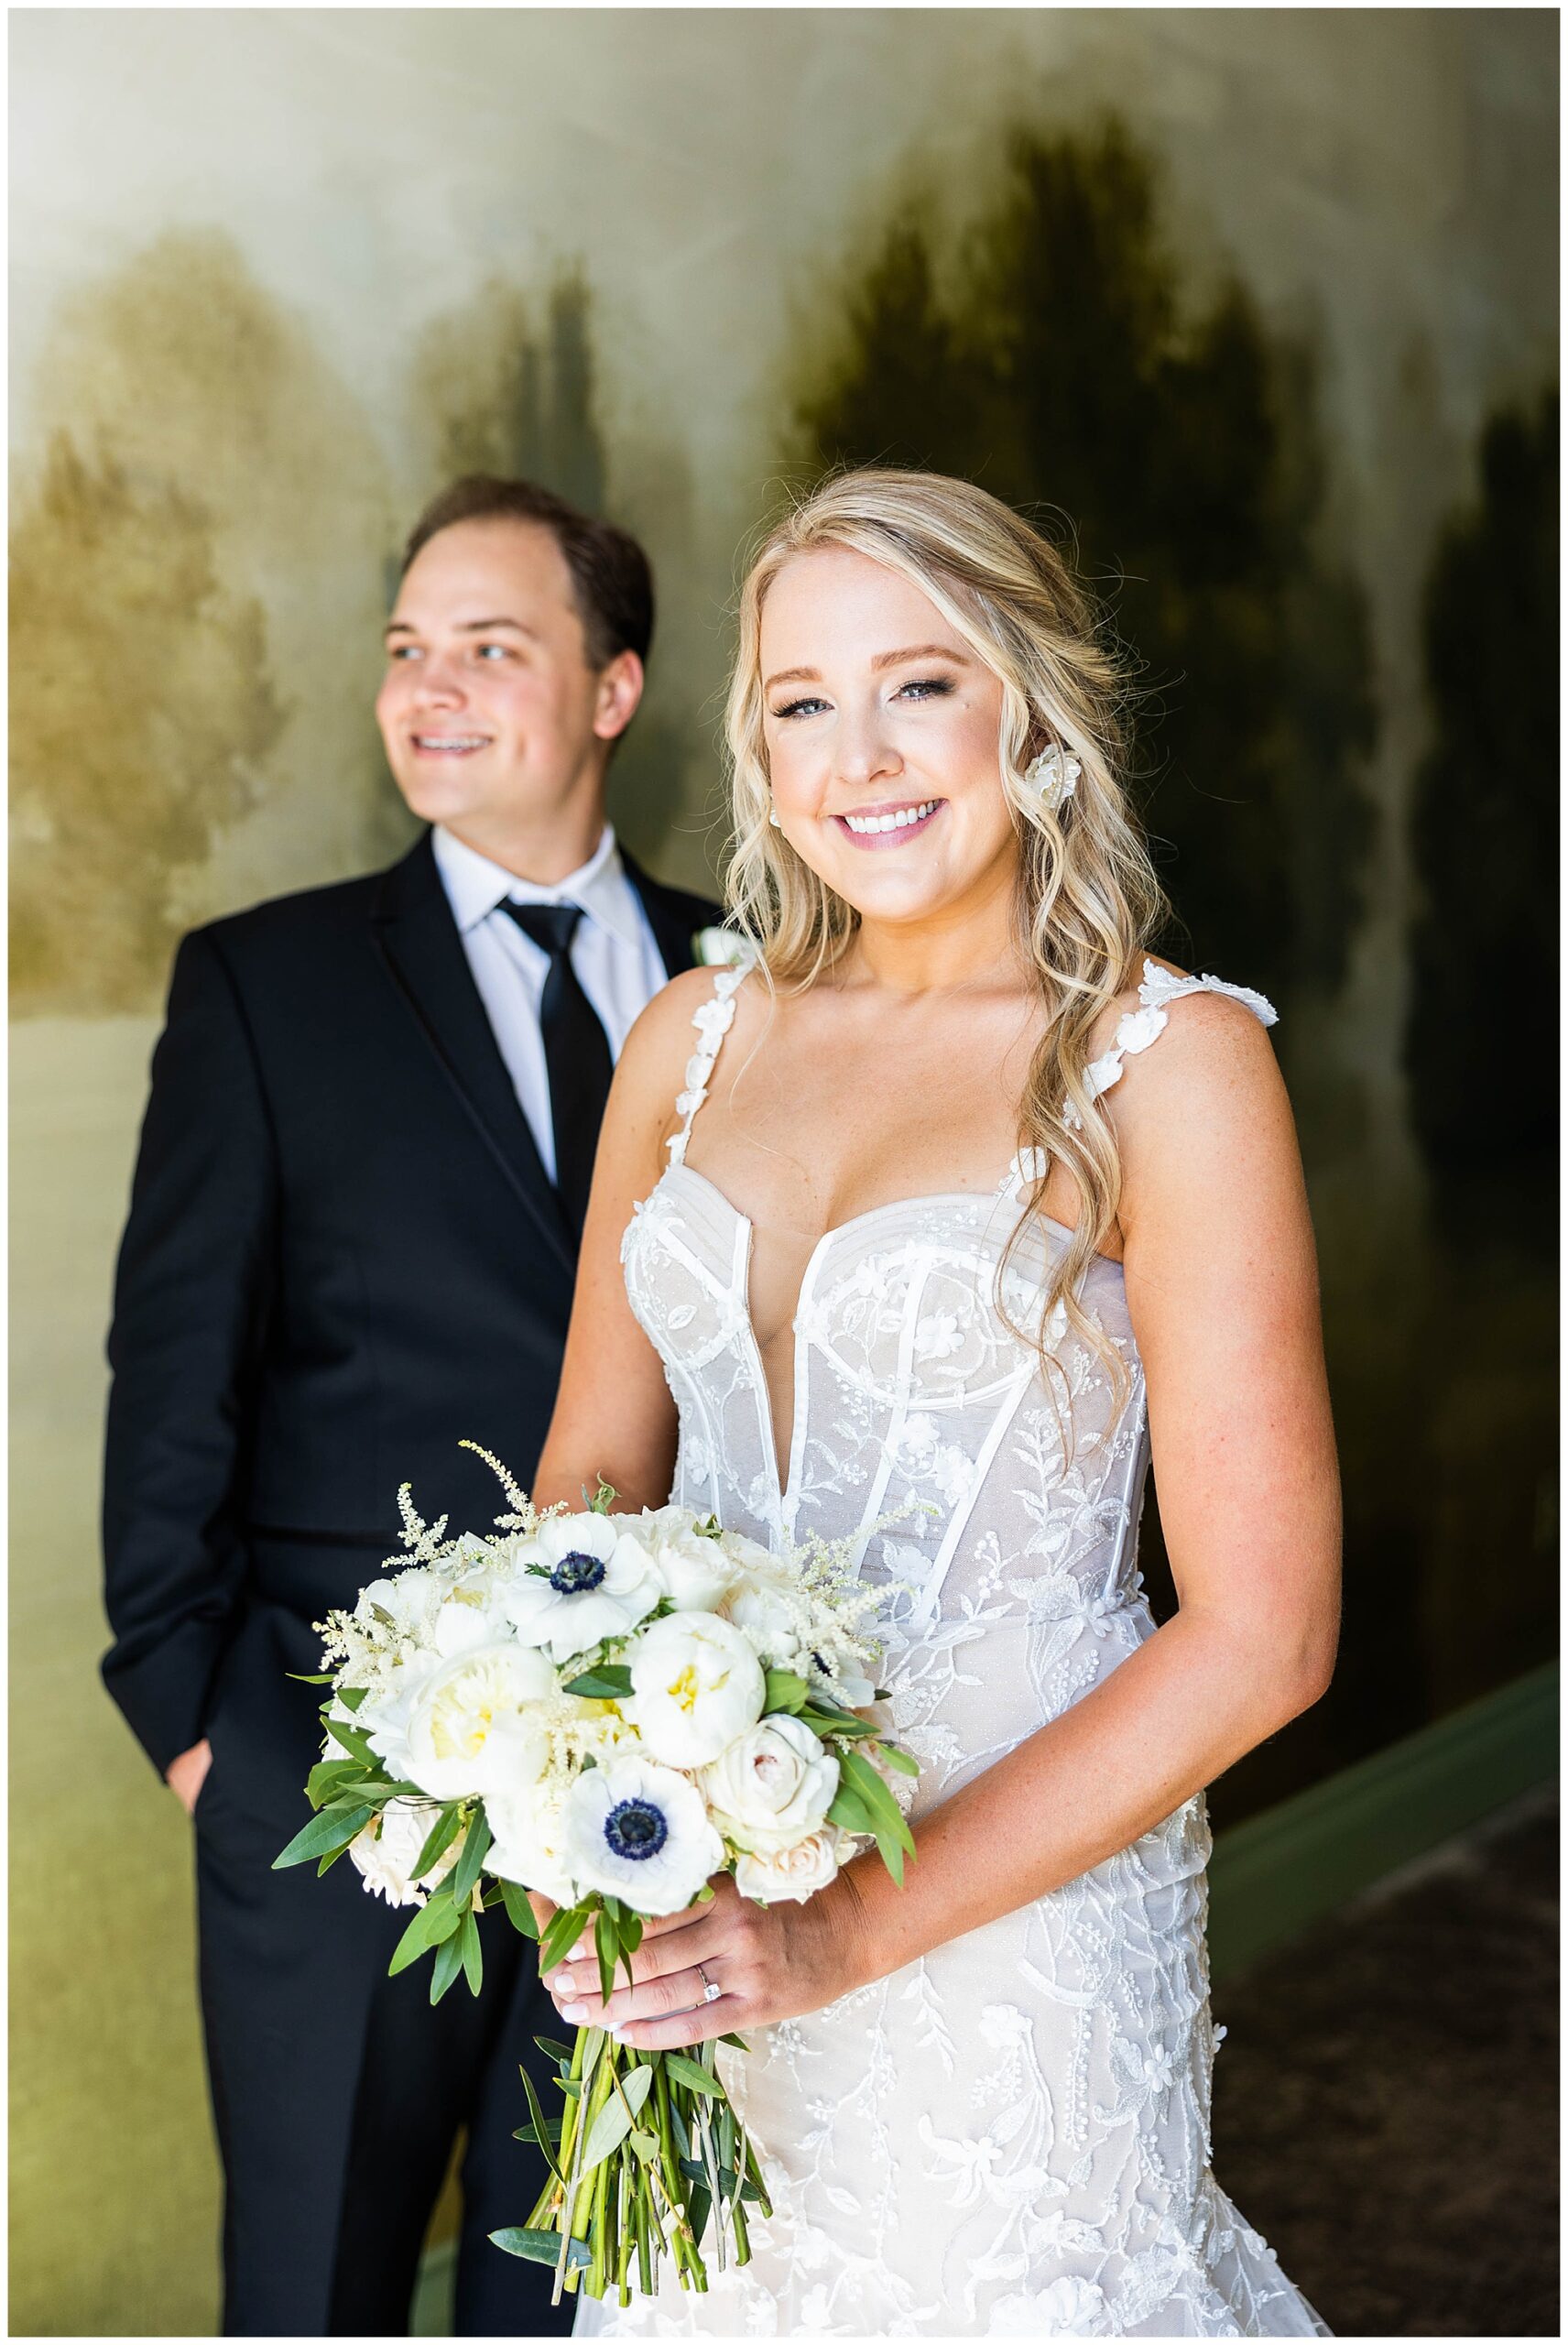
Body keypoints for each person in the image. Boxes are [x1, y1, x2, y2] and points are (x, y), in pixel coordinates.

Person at [528, 468, 1341, 2336]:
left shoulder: (1169, 1062)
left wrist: (849, 1930)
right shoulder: (688, 1038)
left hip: (1015, 1939)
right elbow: (592, 1476)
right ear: (757, 747)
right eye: (802, 701)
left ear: (1028, 707)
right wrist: (572, 1808)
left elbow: (1268, 1635)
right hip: (704, 1901)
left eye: (919, 684)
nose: (861, 758)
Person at [100, 474, 720, 2337]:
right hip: (334, 1781)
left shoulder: (751, 979)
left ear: (613, 687)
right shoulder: (265, 985)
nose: (427, 689)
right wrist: (200, 1727)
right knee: (316, 2290)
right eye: (404, 648)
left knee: (589, 2293)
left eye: (490, 647)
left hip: (671, 1793)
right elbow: (173, 1373)